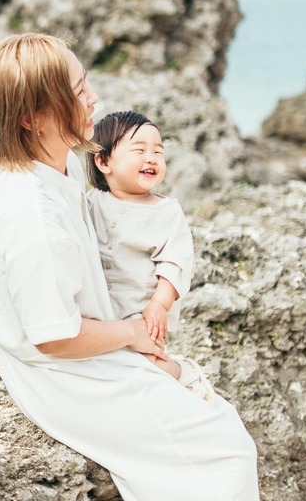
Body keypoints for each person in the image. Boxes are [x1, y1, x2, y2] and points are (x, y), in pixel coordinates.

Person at [0, 32, 259, 501]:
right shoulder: (30, 212)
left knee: (207, 414)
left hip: (91, 340)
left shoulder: (64, 167)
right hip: (62, 373)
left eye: (86, 83)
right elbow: (53, 336)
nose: (93, 97)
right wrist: (133, 335)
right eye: (78, 91)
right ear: (33, 118)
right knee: (226, 448)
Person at [86, 110, 213, 400]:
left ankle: (184, 373)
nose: (151, 158)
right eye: (139, 150)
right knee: (103, 362)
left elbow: (176, 262)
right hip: (101, 308)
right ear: (104, 161)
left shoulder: (166, 212)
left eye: (158, 151)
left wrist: (158, 305)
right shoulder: (92, 202)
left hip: (140, 310)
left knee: (145, 363)